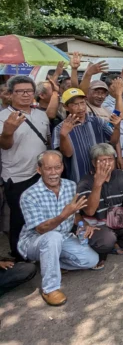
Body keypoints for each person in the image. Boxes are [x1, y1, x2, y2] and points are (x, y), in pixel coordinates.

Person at [18, 151, 99, 306]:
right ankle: (50, 288)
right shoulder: (29, 195)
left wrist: (83, 225)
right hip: (34, 241)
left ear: (62, 167)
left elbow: (75, 215)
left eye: (57, 167)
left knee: (91, 260)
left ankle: (51, 262)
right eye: (49, 168)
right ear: (39, 170)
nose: (54, 173)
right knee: (52, 237)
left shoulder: (70, 186)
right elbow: (41, 229)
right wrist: (63, 215)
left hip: (63, 237)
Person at [76, 144, 123, 270]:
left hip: (116, 219)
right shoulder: (85, 182)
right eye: (102, 160)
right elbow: (89, 211)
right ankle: (106, 246)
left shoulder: (119, 175)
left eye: (110, 159)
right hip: (96, 225)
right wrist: (97, 185)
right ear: (94, 163)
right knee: (106, 241)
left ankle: (115, 244)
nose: (107, 163)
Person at [0, 76, 50, 259]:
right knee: (20, 218)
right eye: (20, 91)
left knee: (43, 213)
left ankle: (40, 251)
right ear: (11, 94)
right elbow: (4, 145)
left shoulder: (41, 114)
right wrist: (7, 132)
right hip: (17, 176)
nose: (25, 95)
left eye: (29, 91)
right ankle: (19, 255)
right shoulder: (3, 117)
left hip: (41, 174)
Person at [52, 88, 121, 182]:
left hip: (101, 175)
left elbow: (113, 141)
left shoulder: (97, 121)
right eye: (75, 104)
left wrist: (117, 127)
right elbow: (67, 154)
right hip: (79, 177)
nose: (81, 108)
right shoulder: (60, 128)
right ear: (66, 107)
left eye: (82, 103)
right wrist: (64, 135)